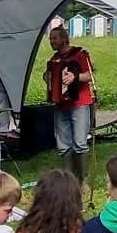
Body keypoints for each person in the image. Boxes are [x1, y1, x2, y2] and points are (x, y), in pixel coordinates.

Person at [44, 25, 96, 187]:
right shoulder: (54, 59)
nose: (51, 41)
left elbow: (90, 75)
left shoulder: (79, 54)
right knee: (63, 145)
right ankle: (69, 180)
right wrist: (48, 77)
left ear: (64, 39)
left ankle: (83, 181)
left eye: (55, 38)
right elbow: (50, 76)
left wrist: (75, 76)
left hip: (79, 103)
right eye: (50, 38)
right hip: (61, 105)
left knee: (80, 143)